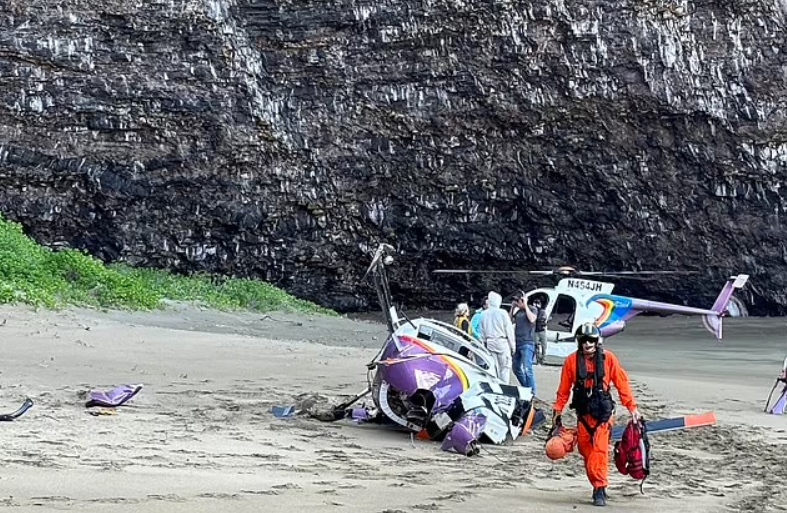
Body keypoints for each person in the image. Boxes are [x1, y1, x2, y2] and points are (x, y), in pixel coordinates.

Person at [551, 322, 641, 507]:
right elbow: (563, 390)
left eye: (591, 340)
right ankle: (596, 482)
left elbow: (622, 384)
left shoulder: (609, 360)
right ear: (579, 342)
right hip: (583, 416)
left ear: (597, 341)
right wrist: (557, 411)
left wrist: (632, 408)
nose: (587, 344)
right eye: (584, 340)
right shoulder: (571, 362)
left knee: (599, 451)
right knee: (586, 451)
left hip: (603, 415)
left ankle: (599, 489)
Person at [479, 291, 516, 383]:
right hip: (502, 342)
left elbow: (482, 331)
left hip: (490, 343)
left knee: (494, 368)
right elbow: (509, 330)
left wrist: (484, 344)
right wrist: (513, 345)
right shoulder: (503, 313)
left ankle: (495, 386)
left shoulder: (483, 314)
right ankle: (504, 386)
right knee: (505, 368)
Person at [510, 293, 537, 395]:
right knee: (516, 368)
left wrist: (525, 305)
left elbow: (532, 319)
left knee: (527, 369)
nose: (517, 303)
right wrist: (512, 308)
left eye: (518, 301)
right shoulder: (518, 312)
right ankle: (526, 387)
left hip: (527, 342)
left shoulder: (532, 309)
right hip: (517, 342)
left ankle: (532, 392)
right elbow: (508, 321)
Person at [534, 298, 548, 365]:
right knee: (536, 345)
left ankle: (543, 359)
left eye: (538, 303)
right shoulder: (533, 311)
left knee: (544, 346)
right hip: (536, 330)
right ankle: (538, 359)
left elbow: (544, 320)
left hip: (542, 330)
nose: (536, 305)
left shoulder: (542, 311)